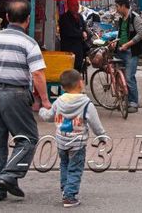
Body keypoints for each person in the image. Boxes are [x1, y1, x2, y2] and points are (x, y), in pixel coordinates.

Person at [0, 0, 51, 202]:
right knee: (28, 139)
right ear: (28, 20)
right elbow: (38, 74)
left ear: (8, 17)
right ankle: (10, 175)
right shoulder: (29, 43)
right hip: (15, 95)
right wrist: (45, 101)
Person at [39, 69, 106, 208]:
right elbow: (95, 124)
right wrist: (102, 137)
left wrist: (41, 110)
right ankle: (70, 197)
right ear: (81, 83)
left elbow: (48, 116)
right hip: (77, 144)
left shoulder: (58, 101)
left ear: (63, 87)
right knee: (75, 169)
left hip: (61, 142)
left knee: (64, 165)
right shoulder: (87, 104)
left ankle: (65, 189)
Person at [114, 0, 142, 113]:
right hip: (120, 50)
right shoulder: (122, 18)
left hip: (131, 52)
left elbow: (140, 34)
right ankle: (123, 100)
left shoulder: (134, 17)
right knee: (119, 76)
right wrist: (116, 43)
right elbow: (120, 33)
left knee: (129, 77)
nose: (116, 9)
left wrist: (127, 44)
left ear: (123, 6)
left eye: (117, 6)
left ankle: (133, 102)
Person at [59, 0, 88, 74]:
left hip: (79, 48)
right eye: (73, 5)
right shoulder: (64, 18)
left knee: (78, 68)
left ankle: (76, 84)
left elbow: (84, 28)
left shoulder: (80, 16)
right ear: (68, 6)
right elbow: (69, 31)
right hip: (68, 48)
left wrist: (85, 32)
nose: (76, 7)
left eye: (77, 5)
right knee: (69, 70)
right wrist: (81, 34)